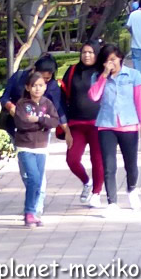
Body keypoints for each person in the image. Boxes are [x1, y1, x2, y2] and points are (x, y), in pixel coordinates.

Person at [88, 43, 141, 214]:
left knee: (131, 164)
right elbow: (94, 96)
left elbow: (139, 101)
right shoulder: (98, 77)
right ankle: (112, 202)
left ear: (120, 58)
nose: (111, 64)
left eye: (113, 60)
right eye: (107, 61)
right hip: (106, 125)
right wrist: (104, 76)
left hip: (128, 124)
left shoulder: (133, 75)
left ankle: (132, 189)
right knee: (108, 165)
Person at [13, 70, 61, 227]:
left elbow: (54, 121)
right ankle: (29, 212)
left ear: (45, 87)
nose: (37, 89)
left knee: (38, 181)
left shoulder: (47, 103)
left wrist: (38, 119)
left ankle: (33, 213)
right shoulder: (22, 104)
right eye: (34, 86)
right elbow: (22, 123)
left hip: (41, 147)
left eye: (41, 85)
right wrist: (42, 123)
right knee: (33, 178)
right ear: (28, 87)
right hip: (25, 147)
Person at [60, 43, 104, 208]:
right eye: (84, 52)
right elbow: (62, 98)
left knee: (97, 160)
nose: (87, 55)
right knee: (72, 159)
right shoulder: (72, 71)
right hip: (76, 124)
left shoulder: (102, 72)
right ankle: (87, 182)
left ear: (97, 54)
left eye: (91, 52)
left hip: (98, 124)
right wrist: (64, 124)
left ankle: (96, 193)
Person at [1, 54, 67, 135]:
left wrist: (67, 131)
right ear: (34, 70)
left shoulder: (52, 85)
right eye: (40, 77)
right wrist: (10, 106)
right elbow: (4, 98)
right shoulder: (18, 77)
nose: (42, 81)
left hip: (40, 131)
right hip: (15, 127)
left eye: (47, 78)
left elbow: (58, 109)